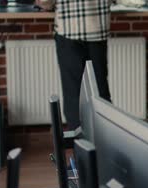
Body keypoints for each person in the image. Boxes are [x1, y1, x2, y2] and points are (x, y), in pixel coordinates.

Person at [36, 0, 113, 129]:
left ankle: (80, 144)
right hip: (97, 29)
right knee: (100, 92)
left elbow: (46, 2)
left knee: (74, 95)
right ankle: (104, 143)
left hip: (69, 30)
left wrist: (43, 4)